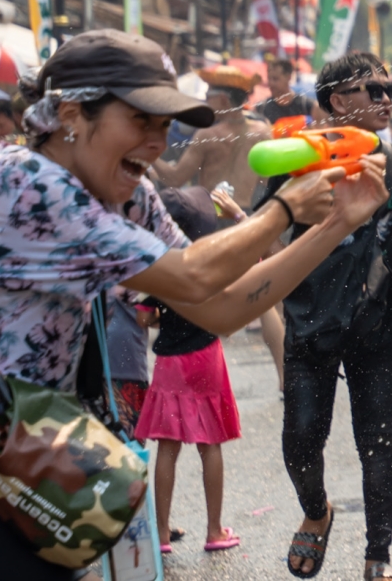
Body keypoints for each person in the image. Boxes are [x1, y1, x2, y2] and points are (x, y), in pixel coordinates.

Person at [0, 29, 386, 581]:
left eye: (162, 125)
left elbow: (220, 308)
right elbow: (194, 274)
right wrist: (284, 212)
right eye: (139, 121)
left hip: (33, 476)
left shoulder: (127, 192)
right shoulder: (24, 182)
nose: (156, 141)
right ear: (72, 115)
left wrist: (338, 221)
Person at [265, 51, 392, 581]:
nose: (388, 100)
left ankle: (377, 558)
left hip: (377, 320)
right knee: (300, 437)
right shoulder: (295, 157)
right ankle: (317, 511)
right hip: (309, 314)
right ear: (338, 101)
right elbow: (266, 230)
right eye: (374, 91)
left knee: (376, 438)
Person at [136, 186, 245, 555]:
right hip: (206, 357)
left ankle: (163, 533)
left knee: (167, 447)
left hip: (170, 362)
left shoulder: (163, 268)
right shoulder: (210, 266)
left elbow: (144, 316)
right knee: (209, 444)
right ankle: (214, 530)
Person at [154, 65, 272, 208]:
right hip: (241, 217)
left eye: (208, 97)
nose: (206, 102)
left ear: (223, 99)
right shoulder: (262, 132)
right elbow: (266, 182)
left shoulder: (208, 135)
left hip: (211, 217)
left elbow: (174, 179)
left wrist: (150, 155)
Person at [257, 57, 320, 123]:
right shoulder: (261, 108)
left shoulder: (306, 105)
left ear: (288, 77)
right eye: (269, 78)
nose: (271, 83)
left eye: (275, 79)